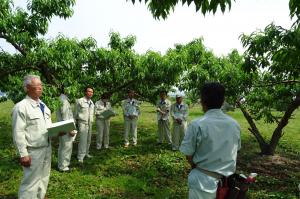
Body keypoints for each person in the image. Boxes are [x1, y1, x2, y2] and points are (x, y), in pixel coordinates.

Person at [179, 82, 241, 199]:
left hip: (202, 181)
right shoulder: (234, 124)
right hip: (227, 182)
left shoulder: (197, 125)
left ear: (202, 100)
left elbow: (188, 155)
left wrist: (197, 166)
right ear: (223, 101)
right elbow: (236, 151)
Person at [12, 75, 52, 199]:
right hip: (33, 150)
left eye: (41, 86)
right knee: (30, 182)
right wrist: (23, 154)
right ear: (27, 88)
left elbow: (47, 126)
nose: (40, 88)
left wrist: (57, 131)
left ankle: (40, 196)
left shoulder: (43, 105)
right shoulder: (21, 107)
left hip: (47, 147)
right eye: (37, 86)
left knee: (44, 178)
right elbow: (18, 132)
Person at [56, 89, 77, 172]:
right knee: (67, 147)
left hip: (62, 126)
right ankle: (64, 167)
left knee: (62, 147)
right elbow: (65, 116)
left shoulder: (62, 99)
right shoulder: (64, 100)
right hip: (65, 127)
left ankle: (61, 165)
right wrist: (70, 129)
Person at [75, 87, 94, 163]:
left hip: (90, 123)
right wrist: (74, 124)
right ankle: (80, 156)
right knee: (83, 140)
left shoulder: (92, 103)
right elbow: (75, 113)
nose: (90, 93)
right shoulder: (80, 101)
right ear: (85, 92)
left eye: (92, 92)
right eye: (89, 91)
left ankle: (86, 153)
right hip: (82, 123)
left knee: (88, 139)